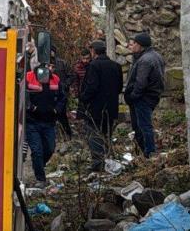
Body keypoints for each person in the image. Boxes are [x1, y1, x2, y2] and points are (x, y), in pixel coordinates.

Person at [79, 40, 123, 171]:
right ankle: (108, 161)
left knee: (94, 135)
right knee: (106, 135)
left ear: (93, 51)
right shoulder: (116, 66)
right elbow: (119, 87)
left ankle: (98, 164)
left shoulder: (94, 66)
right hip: (111, 107)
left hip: (96, 108)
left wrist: (83, 98)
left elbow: (92, 87)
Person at [123, 33, 166, 159]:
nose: (132, 46)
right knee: (143, 125)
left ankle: (149, 152)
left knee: (144, 126)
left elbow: (141, 82)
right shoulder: (156, 56)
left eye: (134, 43)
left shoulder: (145, 60)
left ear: (140, 45)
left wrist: (133, 96)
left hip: (144, 98)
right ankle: (145, 151)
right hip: (152, 96)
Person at [24, 62, 65, 188]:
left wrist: (56, 110)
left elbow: (62, 98)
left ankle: (39, 165)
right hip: (32, 122)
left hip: (49, 122)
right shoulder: (29, 77)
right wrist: (31, 108)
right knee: (37, 151)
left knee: (50, 148)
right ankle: (40, 178)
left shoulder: (55, 80)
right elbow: (23, 95)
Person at [50, 49, 75, 139]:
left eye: (52, 51)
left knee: (62, 115)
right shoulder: (43, 64)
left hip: (61, 93)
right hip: (48, 93)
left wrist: (65, 85)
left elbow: (72, 75)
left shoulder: (62, 63)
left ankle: (67, 134)